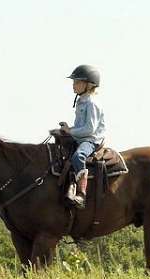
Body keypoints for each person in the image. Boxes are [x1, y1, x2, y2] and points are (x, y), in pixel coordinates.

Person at [59, 64, 106, 209]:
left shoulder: (92, 103)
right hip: (80, 137)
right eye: (74, 82)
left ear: (89, 85)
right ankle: (69, 185)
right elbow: (80, 127)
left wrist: (70, 131)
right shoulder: (81, 101)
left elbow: (89, 129)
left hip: (91, 140)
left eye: (77, 82)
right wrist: (67, 129)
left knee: (78, 156)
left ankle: (81, 193)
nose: (74, 85)